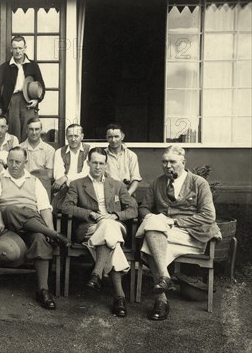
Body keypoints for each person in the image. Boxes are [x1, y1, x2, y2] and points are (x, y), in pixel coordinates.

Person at [137, 145, 220, 321]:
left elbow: (208, 215)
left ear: (183, 162)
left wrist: (174, 221)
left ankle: (161, 300)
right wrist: (152, 216)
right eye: (164, 162)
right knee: (152, 233)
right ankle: (163, 288)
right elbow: (143, 207)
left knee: (149, 241)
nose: (168, 166)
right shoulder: (157, 183)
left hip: (193, 235)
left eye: (172, 162)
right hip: (164, 234)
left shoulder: (198, 183)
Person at [0, 147, 70, 310]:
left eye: (18, 162)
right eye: (10, 161)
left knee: (40, 238)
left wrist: (48, 227)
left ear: (25, 162)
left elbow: (45, 208)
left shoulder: (34, 181)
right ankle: (55, 235)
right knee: (10, 209)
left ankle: (43, 290)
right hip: (10, 226)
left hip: (34, 224)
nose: (14, 165)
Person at [60, 148, 138, 317]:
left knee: (109, 226)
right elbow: (65, 207)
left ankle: (97, 273)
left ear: (106, 165)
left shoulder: (117, 185)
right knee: (112, 242)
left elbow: (133, 209)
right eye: (94, 162)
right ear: (88, 163)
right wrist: (90, 214)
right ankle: (119, 297)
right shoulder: (77, 184)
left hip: (115, 226)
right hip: (90, 228)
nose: (97, 166)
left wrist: (115, 215)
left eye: (101, 163)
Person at [0, 36, 45, 141]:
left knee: (30, 131)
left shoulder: (33, 65)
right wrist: (0, 108)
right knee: (14, 133)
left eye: (20, 48)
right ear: (11, 49)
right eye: (15, 48)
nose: (18, 51)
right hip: (12, 102)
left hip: (28, 102)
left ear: (25, 48)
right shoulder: (4, 67)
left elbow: (41, 86)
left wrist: (37, 100)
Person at [52, 124, 90, 209]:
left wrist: (66, 177)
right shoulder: (59, 152)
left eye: (76, 136)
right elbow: (58, 176)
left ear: (82, 136)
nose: (73, 139)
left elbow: (86, 174)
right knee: (58, 206)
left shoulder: (89, 150)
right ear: (66, 137)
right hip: (66, 189)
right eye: (70, 136)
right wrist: (64, 179)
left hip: (85, 188)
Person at [20, 117, 55, 196]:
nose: (34, 132)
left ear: (41, 130)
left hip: (42, 186)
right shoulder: (19, 148)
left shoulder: (49, 150)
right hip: (22, 185)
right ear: (26, 130)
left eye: (37, 129)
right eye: (31, 129)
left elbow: (49, 175)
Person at [104, 123, 142, 196]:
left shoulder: (131, 155)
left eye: (116, 136)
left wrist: (127, 195)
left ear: (122, 136)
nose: (113, 140)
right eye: (110, 137)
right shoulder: (102, 155)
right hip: (108, 195)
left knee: (131, 207)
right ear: (106, 138)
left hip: (128, 193)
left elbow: (135, 180)